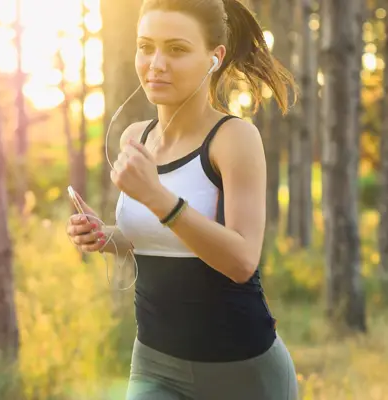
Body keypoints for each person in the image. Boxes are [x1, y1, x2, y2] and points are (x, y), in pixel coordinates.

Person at [66, 0, 299, 398]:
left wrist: (157, 197)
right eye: (146, 46)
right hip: (155, 364)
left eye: (176, 49)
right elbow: (159, 238)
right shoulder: (135, 138)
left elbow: (242, 261)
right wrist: (106, 237)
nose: (156, 63)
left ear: (215, 57)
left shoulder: (233, 139)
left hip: (242, 371)